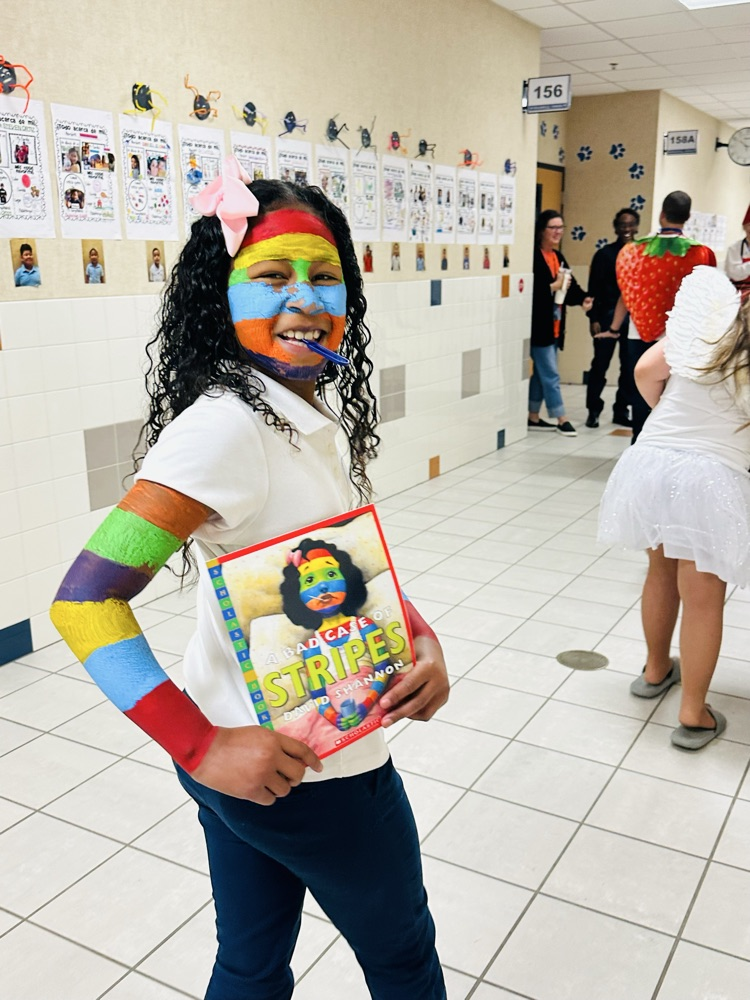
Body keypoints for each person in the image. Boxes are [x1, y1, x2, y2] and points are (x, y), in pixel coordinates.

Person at [50, 159, 449, 1000]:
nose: (304, 299)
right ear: (218, 296)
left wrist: (416, 631)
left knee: (251, 962)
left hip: (252, 763)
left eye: (325, 277)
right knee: (404, 958)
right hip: (320, 777)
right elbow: (84, 601)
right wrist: (196, 742)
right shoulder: (225, 430)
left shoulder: (297, 409)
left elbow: (335, 558)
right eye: (270, 277)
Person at [599, 266, 749, 750]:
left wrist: (663, 410)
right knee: (702, 592)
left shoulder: (708, 324)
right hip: (710, 476)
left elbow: (645, 369)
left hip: (651, 461)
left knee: (659, 572)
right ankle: (693, 712)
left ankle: (656, 669)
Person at [611, 191, 716, 443]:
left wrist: (614, 327)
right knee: (672, 392)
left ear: (661, 214)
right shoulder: (700, 253)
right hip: (677, 336)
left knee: (638, 389)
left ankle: (638, 442)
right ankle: (665, 442)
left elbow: (627, 293)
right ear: (688, 217)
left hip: (638, 332)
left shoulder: (633, 251)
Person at [528, 209, 593, 437]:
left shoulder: (559, 257)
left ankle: (533, 416)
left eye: (561, 228)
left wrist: (583, 297)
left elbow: (570, 286)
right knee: (551, 374)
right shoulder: (533, 256)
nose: (558, 232)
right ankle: (561, 418)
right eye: (553, 227)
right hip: (539, 327)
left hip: (555, 325)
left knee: (540, 374)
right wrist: (550, 287)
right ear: (541, 231)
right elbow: (530, 291)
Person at [584, 209, 640, 429]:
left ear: (637, 226)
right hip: (606, 317)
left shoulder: (640, 253)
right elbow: (593, 289)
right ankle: (593, 410)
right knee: (599, 366)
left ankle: (621, 410)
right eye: (622, 225)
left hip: (633, 319)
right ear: (615, 227)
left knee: (628, 367)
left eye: (631, 224)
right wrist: (593, 318)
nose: (627, 229)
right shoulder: (604, 254)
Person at [725, 204, 750, 298]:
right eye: (749, 225)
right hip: (740, 295)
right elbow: (734, 274)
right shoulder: (734, 248)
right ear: (744, 227)